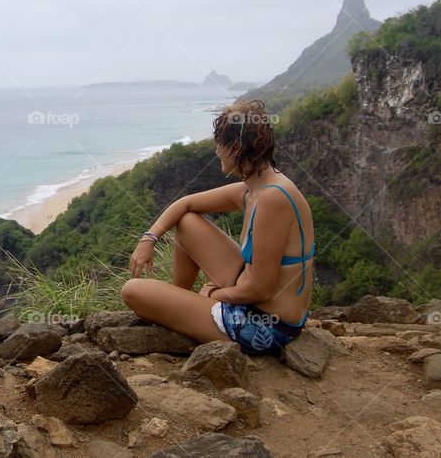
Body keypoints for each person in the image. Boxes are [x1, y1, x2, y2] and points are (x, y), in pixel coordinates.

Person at [120, 99, 316, 355]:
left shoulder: (273, 198)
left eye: (219, 145)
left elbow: (262, 288)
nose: (216, 152)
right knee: (187, 221)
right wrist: (149, 238)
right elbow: (186, 203)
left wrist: (217, 295)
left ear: (235, 148)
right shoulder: (255, 187)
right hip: (250, 295)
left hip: (266, 326)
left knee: (132, 291)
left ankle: (188, 307)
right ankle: (181, 300)